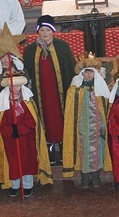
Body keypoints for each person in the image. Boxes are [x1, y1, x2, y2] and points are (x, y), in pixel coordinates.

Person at [23, 15, 76, 165]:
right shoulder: (30, 50)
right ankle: (49, 147)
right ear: (37, 31)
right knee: (44, 116)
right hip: (41, 93)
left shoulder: (62, 46)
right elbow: (27, 72)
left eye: (48, 30)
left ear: (53, 31)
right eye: (41, 30)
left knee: (61, 115)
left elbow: (70, 68)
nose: (44, 33)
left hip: (60, 90)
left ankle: (65, 146)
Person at [0, 71, 52, 197]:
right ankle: (15, 184)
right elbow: (1, 123)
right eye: (13, 86)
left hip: (26, 139)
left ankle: (27, 184)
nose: (15, 88)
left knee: (27, 161)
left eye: (17, 86)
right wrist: (11, 131)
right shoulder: (4, 104)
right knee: (14, 162)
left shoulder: (27, 101)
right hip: (11, 141)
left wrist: (19, 129)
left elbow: (32, 120)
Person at [62, 53, 112, 189]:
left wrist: (103, 125)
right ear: (81, 74)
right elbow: (71, 112)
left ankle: (96, 176)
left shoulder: (100, 90)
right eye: (86, 72)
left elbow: (105, 109)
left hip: (97, 128)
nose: (89, 75)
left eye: (92, 72)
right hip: (81, 128)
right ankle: (85, 177)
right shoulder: (74, 90)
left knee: (97, 151)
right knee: (84, 151)